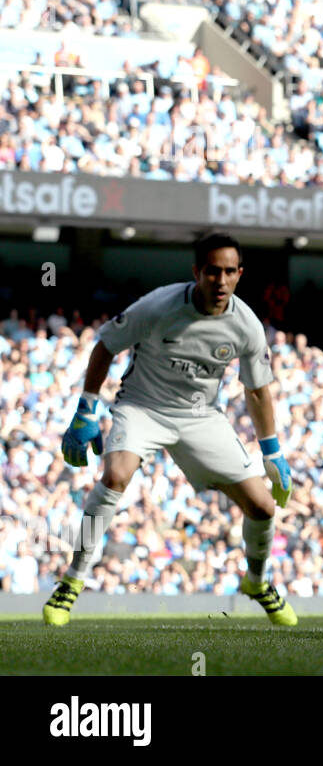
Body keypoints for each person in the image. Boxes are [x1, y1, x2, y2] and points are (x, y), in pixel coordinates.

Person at [46, 232, 297, 626]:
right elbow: (106, 345)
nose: (221, 280)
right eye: (212, 271)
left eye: (230, 272)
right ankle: (71, 583)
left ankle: (257, 582)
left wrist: (273, 451)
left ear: (239, 274)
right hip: (142, 406)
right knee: (114, 476)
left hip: (200, 417)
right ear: (197, 272)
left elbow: (258, 390)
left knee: (264, 506)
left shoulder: (246, 325)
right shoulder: (159, 305)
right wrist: (86, 410)